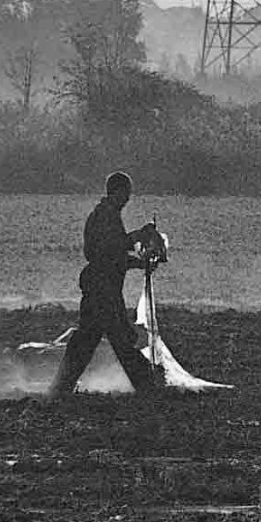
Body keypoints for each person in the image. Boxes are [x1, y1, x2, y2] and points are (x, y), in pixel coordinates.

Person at [48, 171, 165, 399]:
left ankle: (60, 388)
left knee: (87, 339)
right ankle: (148, 388)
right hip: (103, 290)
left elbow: (114, 255)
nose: (128, 199)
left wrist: (139, 263)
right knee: (121, 340)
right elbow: (110, 251)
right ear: (118, 192)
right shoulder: (104, 216)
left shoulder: (105, 215)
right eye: (126, 194)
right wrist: (137, 237)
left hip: (101, 288)